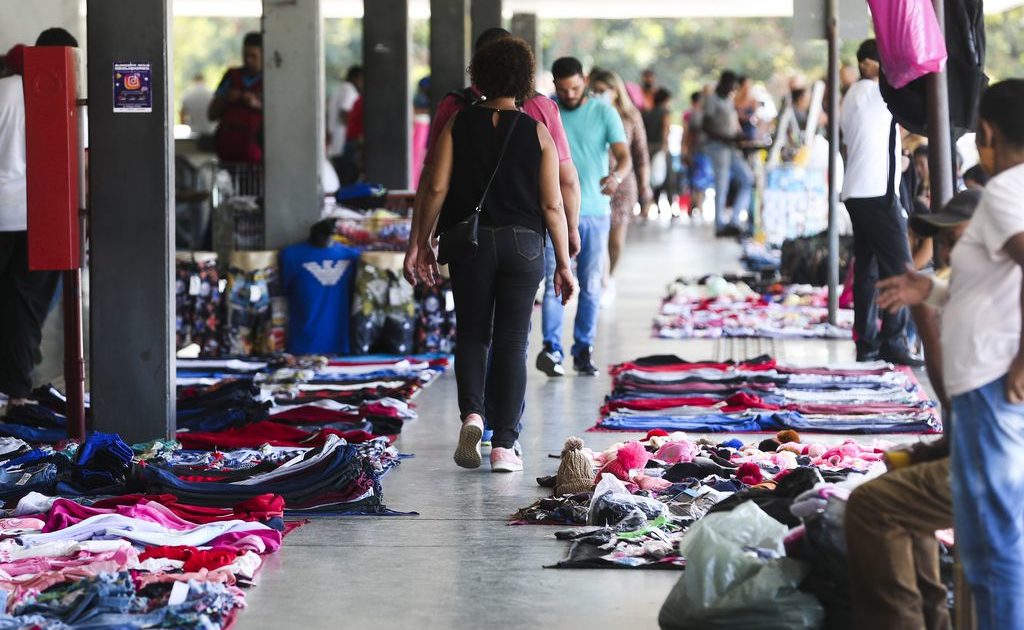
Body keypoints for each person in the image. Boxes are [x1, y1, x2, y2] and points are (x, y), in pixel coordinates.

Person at [875, 79, 1024, 630]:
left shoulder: (1007, 191)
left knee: (993, 543)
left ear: (986, 132)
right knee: (985, 542)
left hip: (990, 388)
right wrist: (931, 292)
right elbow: (995, 284)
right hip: (984, 386)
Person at [408, 37, 576, 473]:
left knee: (472, 335)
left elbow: (437, 187)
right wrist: (564, 261)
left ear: (477, 77)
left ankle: (473, 416)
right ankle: (504, 446)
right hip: (523, 245)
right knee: (513, 342)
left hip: (470, 243)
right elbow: (552, 204)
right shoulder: (536, 129)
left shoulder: (457, 124)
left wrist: (422, 240)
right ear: (524, 80)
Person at [845, 189, 982, 630]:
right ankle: (931, 619)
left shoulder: (989, 300)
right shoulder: (966, 291)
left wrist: (925, 317)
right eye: (943, 243)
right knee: (897, 473)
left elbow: (951, 398)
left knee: (870, 508)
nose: (946, 253)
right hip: (980, 447)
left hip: (1001, 465)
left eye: (957, 241)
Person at [404, 27, 581, 288]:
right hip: (525, 237)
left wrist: (419, 241)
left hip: (466, 235)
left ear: (477, 66)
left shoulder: (455, 110)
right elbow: (564, 183)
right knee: (514, 328)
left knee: (471, 327)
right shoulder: (541, 110)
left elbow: (433, 183)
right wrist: (570, 232)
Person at [537, 57, 631, 378]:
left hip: (594, 211)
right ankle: (551, 349)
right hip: (554, 213)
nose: (569, 94)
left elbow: (624, 156)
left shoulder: (604, 112)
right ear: (554, 85)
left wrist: (617, 177)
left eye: (575, 87)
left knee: (591, 284)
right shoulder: (546, 111)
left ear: (585, 80)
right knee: (554, 283)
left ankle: (583, 348)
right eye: (562, 89)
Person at [0, 28, 78, 408]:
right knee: (24, 307)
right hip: (37, 217)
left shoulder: (5, 89)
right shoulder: (60, 97)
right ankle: (15, 392)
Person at [840, 39, 918, 365]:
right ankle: (894, 341)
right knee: (900, 268)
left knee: (868, 271)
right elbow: (905, 87)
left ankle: (867, 342)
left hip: (862, 192)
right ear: (869, 65)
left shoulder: (855, 97)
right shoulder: (871, 93)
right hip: (875, 194)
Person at [589, 69, 651, 296]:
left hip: (623, 183)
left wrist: (645, 186)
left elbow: (641, 153)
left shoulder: (630, 116)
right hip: (594, 182)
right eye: (594, 90)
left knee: (615, 239)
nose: (598, 94)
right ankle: (601, 280)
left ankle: (610, 276)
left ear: (616, 91)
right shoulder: (591, 113)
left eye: (603, 91)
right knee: (598, 236)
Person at [703, 70, 753, 237]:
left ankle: (735, 220)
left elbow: (732, 124)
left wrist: (739, 136)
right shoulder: (712, 100)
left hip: (731, 147)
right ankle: (719, 225)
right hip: (718, 147)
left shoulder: (729, 101)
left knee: (747, 179)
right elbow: (706, 126)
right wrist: (725, 138)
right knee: (722, 185)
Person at [208, 32, 263, 164]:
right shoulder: (231, 77)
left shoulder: (271, 80)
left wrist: (257, 104)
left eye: (253, 56)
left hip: (257, 158)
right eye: (245, 55)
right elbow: (211, 114)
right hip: (228, 156)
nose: (248, 60)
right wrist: (227, 98)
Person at [326, 65, 362, 182]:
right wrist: (355, 129)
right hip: (343, 143)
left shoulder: (340, 88)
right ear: (356, 77)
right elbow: (344, 113)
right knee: (348, 179)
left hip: (336, 143)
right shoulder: (349, 89)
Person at [642, 88, 672, 214]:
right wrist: (665, 146)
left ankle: (646, 205)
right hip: (659, 147)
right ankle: (664, 206)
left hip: (648, 147)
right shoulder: (665, 112)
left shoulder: (647, 112)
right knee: (664, 179)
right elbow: (665, 129)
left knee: (648, 178)